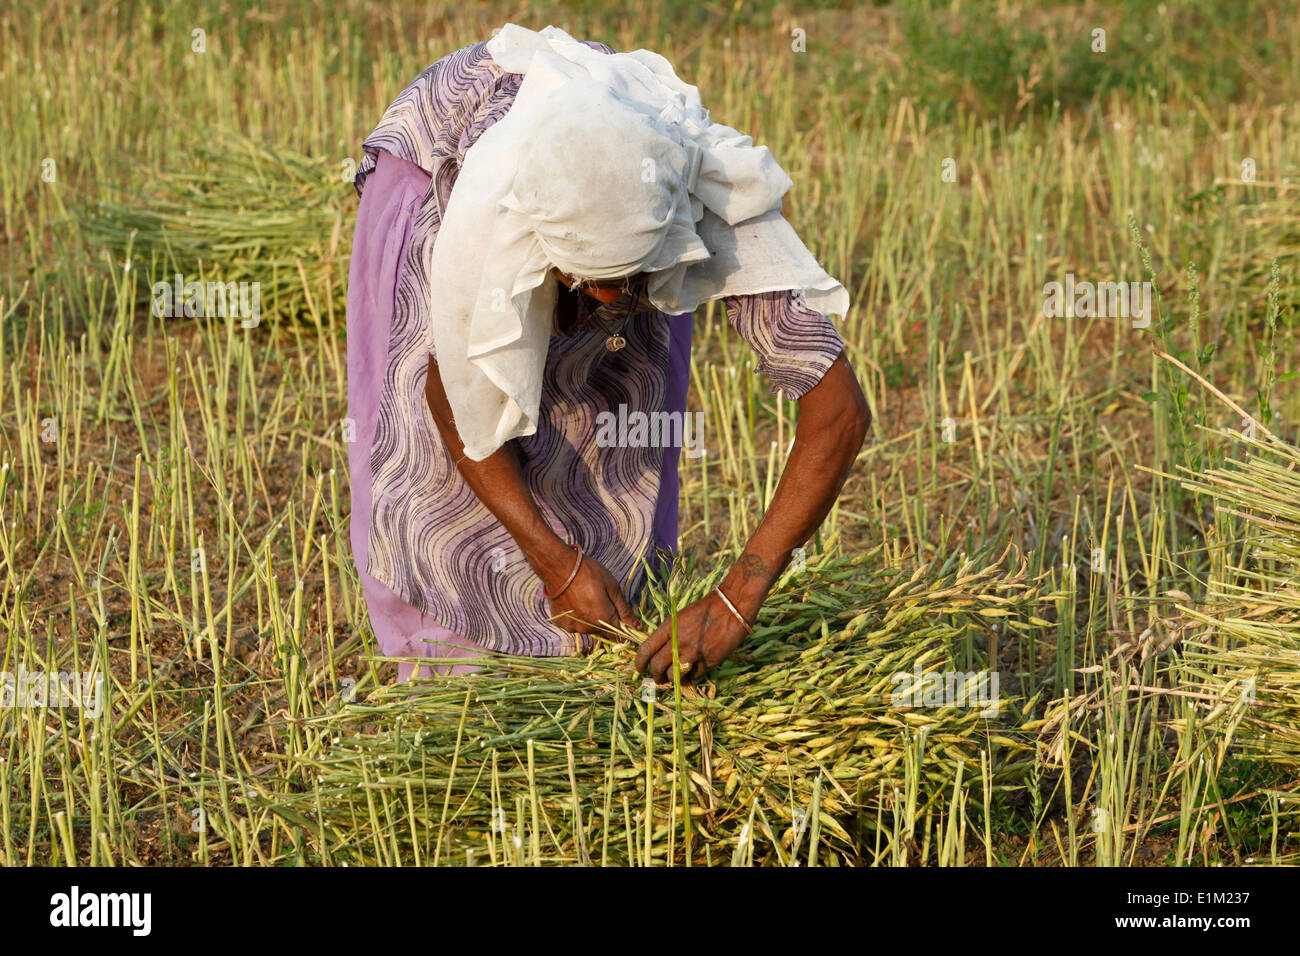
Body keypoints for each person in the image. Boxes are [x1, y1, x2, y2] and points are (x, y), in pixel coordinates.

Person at [346, 24, 869, 684]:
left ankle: (591, 641)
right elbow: (452, 399)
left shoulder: (707, 193)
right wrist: (553, 561)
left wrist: (741, 594)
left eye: (635, 280)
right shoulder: (486, 219)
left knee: (626, 406)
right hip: (445, 137)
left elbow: (839, 412)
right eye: (595, 283)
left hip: (626, 174)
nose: (617, 302)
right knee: (445, 483)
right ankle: (459, 672)